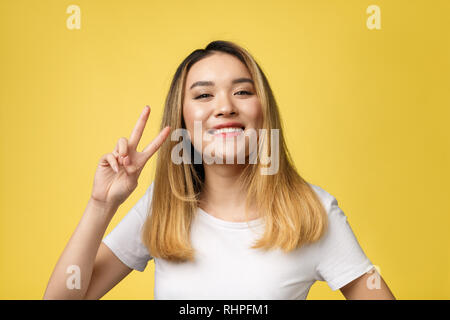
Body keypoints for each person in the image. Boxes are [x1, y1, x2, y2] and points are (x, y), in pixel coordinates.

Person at [43, 40, 395, 300]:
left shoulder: (312, 212)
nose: (225, 107)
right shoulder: (161, 208)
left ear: (263, 111)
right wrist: (101, 205)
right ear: (182, 120)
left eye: (242, 91)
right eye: (203, 96)